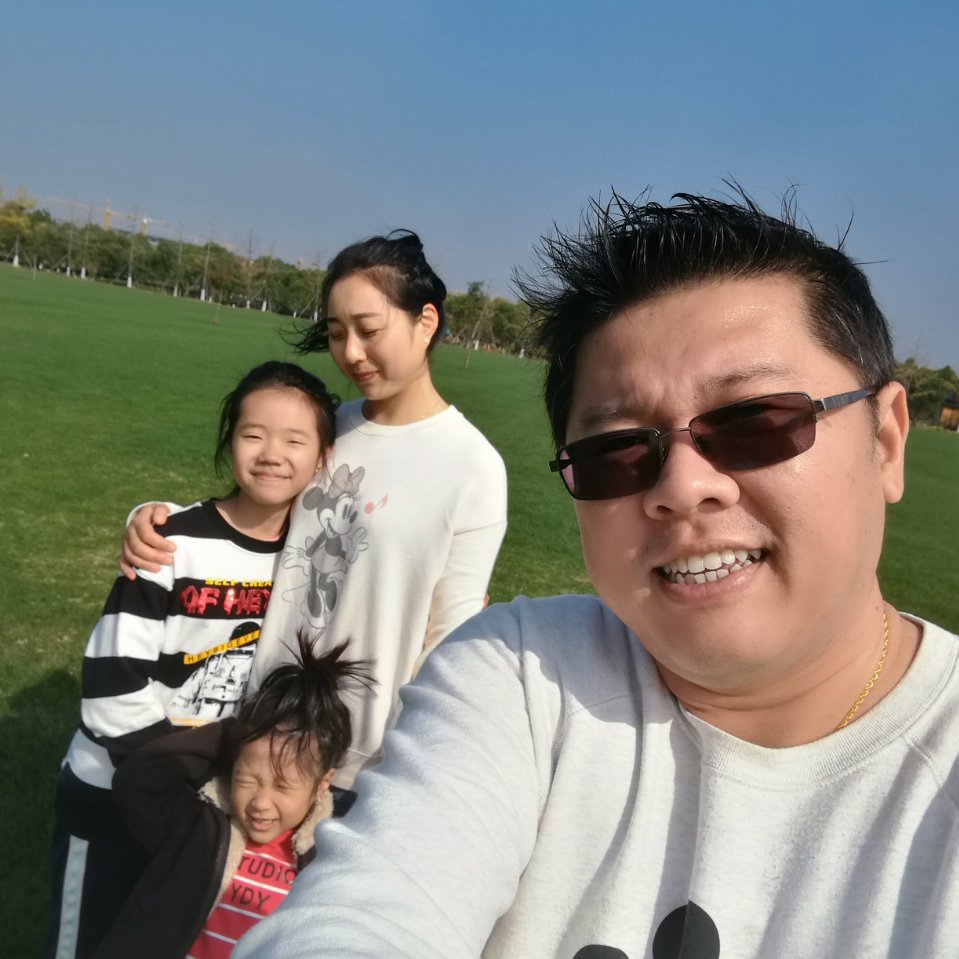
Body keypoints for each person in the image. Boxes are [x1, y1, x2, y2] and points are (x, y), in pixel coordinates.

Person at [234, 190, 959, 959]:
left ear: (885, 441)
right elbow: (359, 915)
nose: (683, 486)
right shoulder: (520, 676)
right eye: (617, 450)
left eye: (753, 421)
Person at [123, 231, 508, 786]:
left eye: (369, 330)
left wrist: (412, 766)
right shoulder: (328, 427)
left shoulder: (473, 465)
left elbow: (452, 636)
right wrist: (157, 519)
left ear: (426, 321)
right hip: (260, 724)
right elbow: (248, 516)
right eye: (336, 332)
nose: (350, 353)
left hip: (359, 757)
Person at [46, 361, 337, 959]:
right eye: (253, 434)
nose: (271, 454)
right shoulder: (170, 543)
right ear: (229, 441)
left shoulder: (307, 563)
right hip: (111, 793)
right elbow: (111, 692)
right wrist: (196, 778)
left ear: (322, 458)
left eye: (294, 440)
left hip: (203, 810)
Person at [92, 634, 370, 959]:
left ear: (323, 783)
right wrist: (233, 734)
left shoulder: (331, 858)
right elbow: (139, 779)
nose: (260, 803)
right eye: (247, 780)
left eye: (282, 786)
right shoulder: (199, 828)